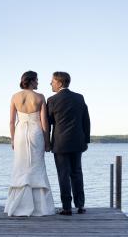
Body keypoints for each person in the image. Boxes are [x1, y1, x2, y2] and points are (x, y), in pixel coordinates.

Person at [4, 71, 55, 217]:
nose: (38, 83)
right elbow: (44, 122)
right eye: (37, 80)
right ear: (31, 81)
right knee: (36, 166)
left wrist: (13, 139)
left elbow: (11, 122)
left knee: (20, 166)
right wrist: (47, 142)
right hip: (36, 132)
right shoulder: (40, 97)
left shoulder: (15, 97)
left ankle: (17, 205)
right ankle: (40, 207)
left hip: (20, 133)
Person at [47, 71, 90, 215]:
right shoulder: (79, 98)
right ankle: (80, 206)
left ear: (59, 82)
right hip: (78, 142)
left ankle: (66, 207)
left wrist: (47, 142)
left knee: (63, 174)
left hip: (60, 143)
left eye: (52, 81)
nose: (50, 83)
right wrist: (86, 140)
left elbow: (49, 123)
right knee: (77, 173)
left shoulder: (52, 100)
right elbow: (86, 120)